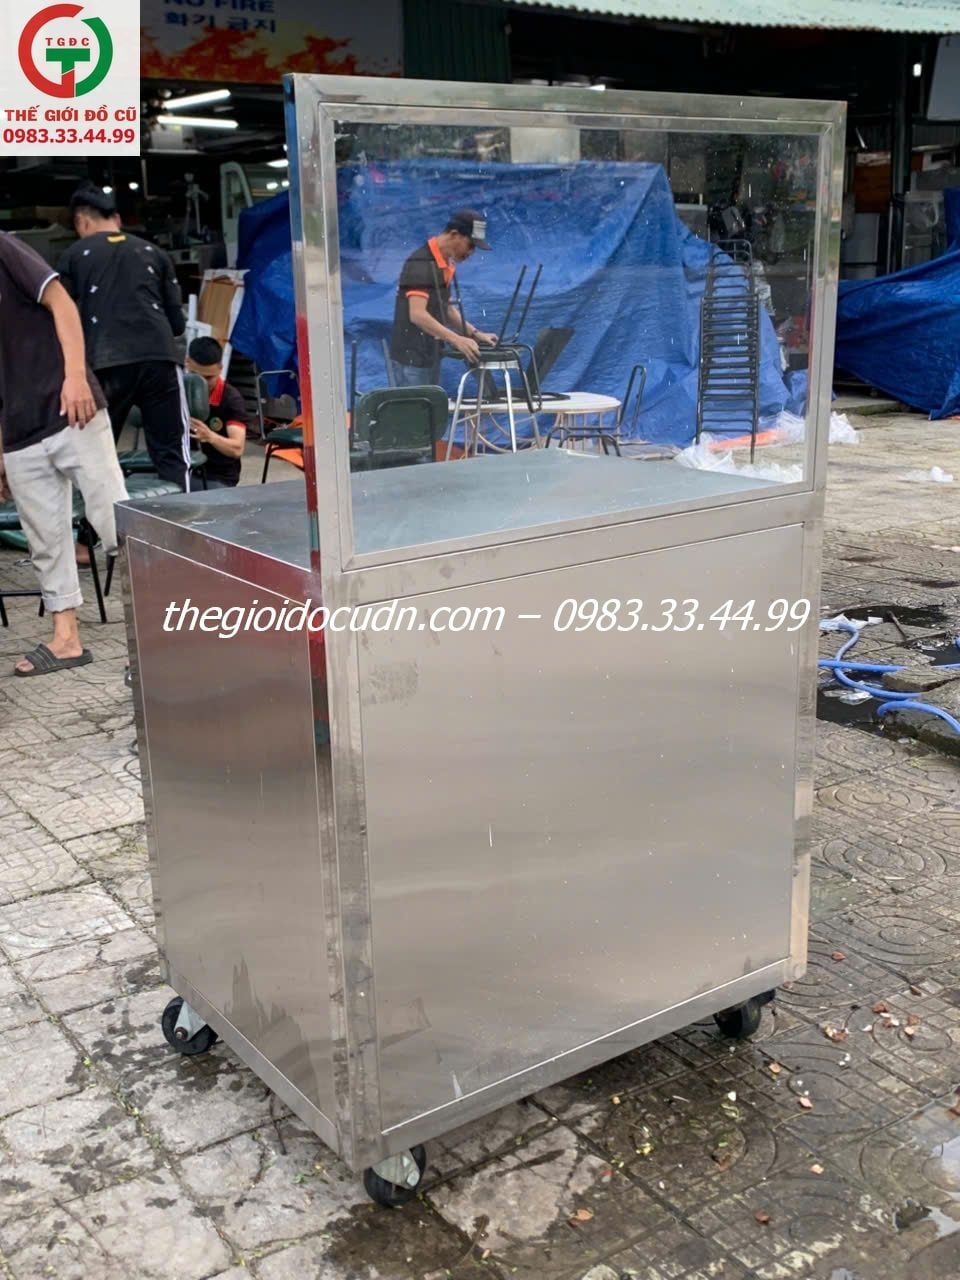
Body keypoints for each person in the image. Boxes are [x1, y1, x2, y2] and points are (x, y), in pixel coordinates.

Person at [0, 231, 128, 676]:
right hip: (19, 430)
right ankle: (67, 640)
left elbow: (62, 302)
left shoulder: (3, 248)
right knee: (46, 541)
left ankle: (164, 625)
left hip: (70, 406)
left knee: (115, 520)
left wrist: (75, 376)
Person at [58, 182, 192, 491]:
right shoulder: (154, 253)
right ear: (116, 218)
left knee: (96, 458)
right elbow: (176, 324)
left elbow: (62, 317)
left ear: (81, 221)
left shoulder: (74, 255)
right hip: (159, 357)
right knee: (172, 452)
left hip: (103, 363)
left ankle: (100, 522)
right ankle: (181, 517)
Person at [390, 209, 498, 386]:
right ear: (454, 235)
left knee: (430, 403)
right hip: (411, 359)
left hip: (429, 354)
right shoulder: (421, 264)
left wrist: (474, 334)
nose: (471, 252)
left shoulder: (443, 264)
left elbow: (446, 308)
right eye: (470, 245)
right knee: (415, 404)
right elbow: (417, 315)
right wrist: (456, 339)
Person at [185, 337, 248, 488]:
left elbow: (237, 448)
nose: (202, 384)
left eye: (208, 378)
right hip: (183, 468)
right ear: (187, 363)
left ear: (220, 368)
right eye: (196, 376)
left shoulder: (231, 399)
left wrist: (209, 436)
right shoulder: (179, 389)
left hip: (217, 476)